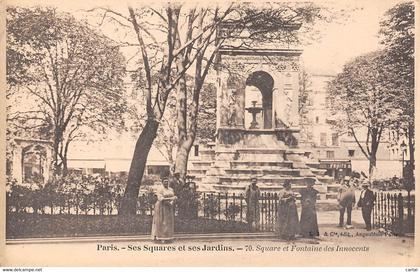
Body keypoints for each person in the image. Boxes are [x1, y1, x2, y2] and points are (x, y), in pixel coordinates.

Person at [151, 178, 177, 243]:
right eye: (165, 182)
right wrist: (171, 198)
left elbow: (174, 197)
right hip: (161, 206)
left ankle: (168, 237)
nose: (166, 183)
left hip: (169, 207)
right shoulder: (160, 189)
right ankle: (159, 237)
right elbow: (160, 199)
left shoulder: (171, 189)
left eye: (167, 182)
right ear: (162, 182)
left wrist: (173, 200)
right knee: (161, 221)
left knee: (168, 222)